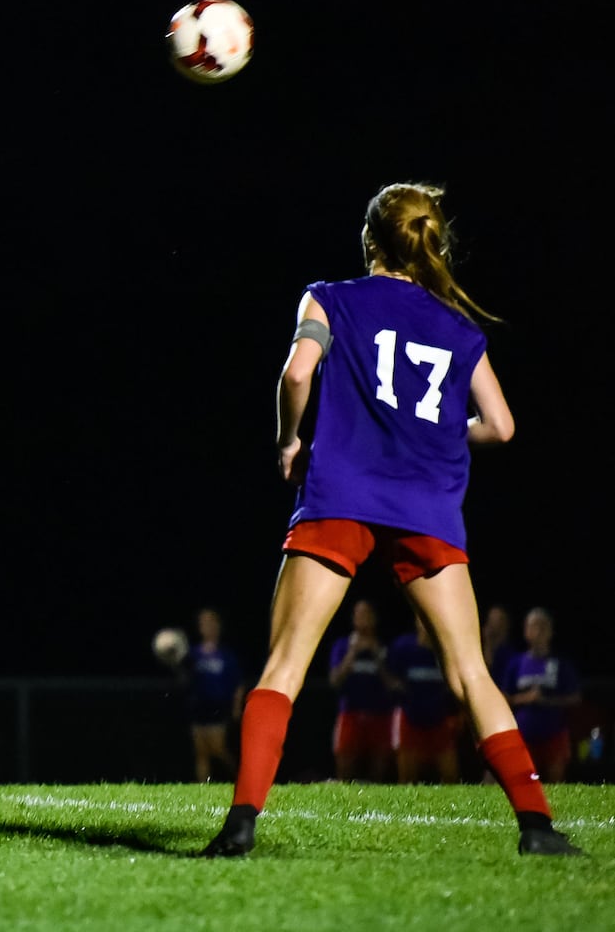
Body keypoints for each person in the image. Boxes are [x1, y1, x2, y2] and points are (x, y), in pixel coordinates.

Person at [201, 182, 581, 856]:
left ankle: (240, 823)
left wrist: (289, 440)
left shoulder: (329, 296)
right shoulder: (458, 328)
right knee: (471, 672)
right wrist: (432, 429)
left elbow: (295, 375)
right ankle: (536, 826)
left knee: (284, 663)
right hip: (425, 505)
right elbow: (501, 425)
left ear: (371, 239)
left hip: (341, 493)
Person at [158, 608, 245, 782]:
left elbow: (238, 684)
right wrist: (171, 657)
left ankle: (241, 778)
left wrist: (236, 707)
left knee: (218, 748)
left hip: (218, 707)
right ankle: (203, 788)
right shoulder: (193, 654)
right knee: (201, 752)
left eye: (210, 622)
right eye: (203, 623)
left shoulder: (226, 656)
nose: (207, 627)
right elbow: (184, 677)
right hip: (198, 706)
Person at [500, 607, 581, 783]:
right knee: (522, 783)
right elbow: (503, 698)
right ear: (526, 631)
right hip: (523, 736)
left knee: (556, 784)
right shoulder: (516, 663)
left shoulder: (560, 663)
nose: (539, 631)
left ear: (551, 631)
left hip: (554, 735)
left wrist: (546, 701)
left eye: (543, 626)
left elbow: (574, 697)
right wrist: (526, 698)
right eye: (534, 626)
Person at [386, 612, 462, 783]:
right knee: (407, 778)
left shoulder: (446, 650)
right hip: (410, 716)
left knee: (450, 776)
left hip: (439, 719)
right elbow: (388, 676)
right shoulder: (402, 647)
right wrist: (399, 688)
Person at [327, 597, 395, 781]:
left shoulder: (385, 648)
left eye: (367, 614)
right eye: (358, 614)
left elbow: (393, 685)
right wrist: (352, 654)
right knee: (345, 771)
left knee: (378, 773)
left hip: (380, 716)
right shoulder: (342, 646)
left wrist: (377, 656)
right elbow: (335, 681)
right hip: (350, 714)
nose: (362, 618)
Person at [480, 604, 520, 688]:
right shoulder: (480, 649)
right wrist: (488, 644)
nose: (494, 625)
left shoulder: (513, 655)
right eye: (492, 620)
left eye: (499, 620)